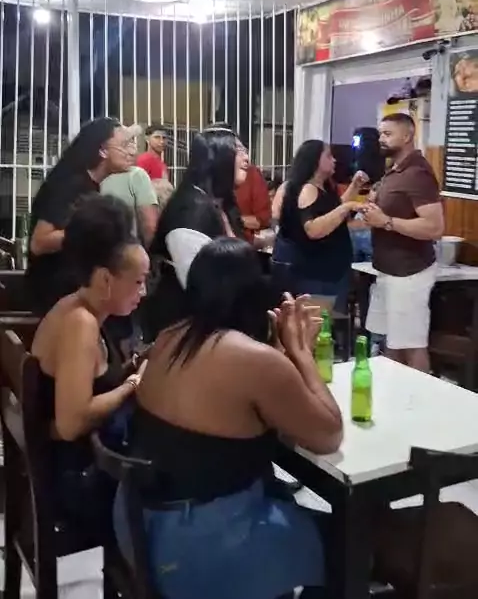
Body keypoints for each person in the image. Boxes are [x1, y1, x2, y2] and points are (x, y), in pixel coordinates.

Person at [114, 237, 342, 599]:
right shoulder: (253, 360)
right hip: (201, 547)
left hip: (139, 526)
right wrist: (300, 352)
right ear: (255, 295)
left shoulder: (170, 336)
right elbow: (328, 434)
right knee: (344, 543)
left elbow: (242, 404)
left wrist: (279, 355)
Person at [31, 194, 150, 540]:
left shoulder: (80, 308)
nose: (143, 292)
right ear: (104, 279)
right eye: (138, 281)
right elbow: (70, 424)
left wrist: (131, 369)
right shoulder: (80, 323)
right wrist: (133, 384)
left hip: (75, 466)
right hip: (75, 483)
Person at [142, 126, 248, 340]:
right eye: (238, 150)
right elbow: (200, 287)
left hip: (212, 328)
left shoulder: (222, 203)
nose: (247, 158)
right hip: (182, 331)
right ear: (217, 157)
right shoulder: (191, 211)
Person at [26, 117, 136, 317]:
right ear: (103, 150)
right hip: (54, 292)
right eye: (124, 145)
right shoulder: (70, 184)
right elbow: (39, 242)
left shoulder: (89, 184)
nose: (132, 151)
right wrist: (92, 229)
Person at [362, 113, 444, 371]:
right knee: (391, 342)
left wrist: (387, 221)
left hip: (409, 273)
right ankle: (394, 391)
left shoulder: (418, 173)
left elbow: (434, 227)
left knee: (411, 344)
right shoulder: (394, 170)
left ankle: (419, 393)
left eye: (388, 134)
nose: (381, 139)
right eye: (380, 133)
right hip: (388, 270)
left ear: (407, 136)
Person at [272, 140, 366, 305]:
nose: (334, 160)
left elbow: (331, 211)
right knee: (320, 319)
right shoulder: (308, 189)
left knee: (329, 318)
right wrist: (348, 207)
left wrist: (355, 186)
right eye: (328, 156)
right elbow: (313, 229)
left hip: (331, 272)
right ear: (314, 160)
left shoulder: (325, 187)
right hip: (318, 275)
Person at [101, 132, 159, 248]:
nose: (132, 151)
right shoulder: (136, 175)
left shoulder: (87, 177)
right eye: (124, 144)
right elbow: (149, 226)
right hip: (126, 253)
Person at [235, 162, 271, 244]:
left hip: (241, 243)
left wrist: (234, 219)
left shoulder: (251, 174)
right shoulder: (208, 172)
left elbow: (261, 220)